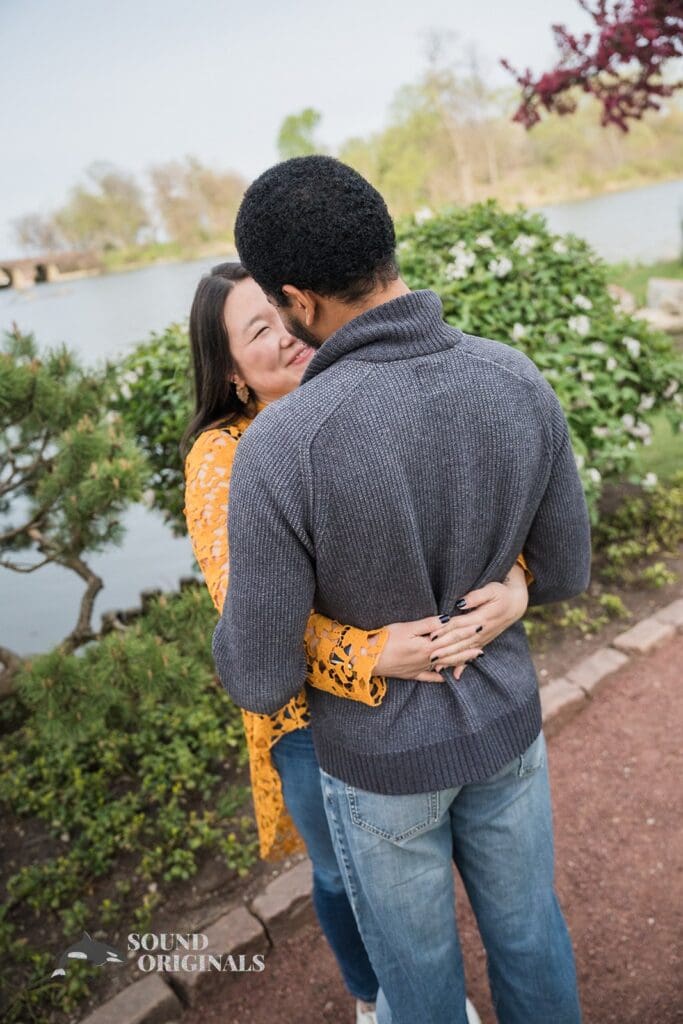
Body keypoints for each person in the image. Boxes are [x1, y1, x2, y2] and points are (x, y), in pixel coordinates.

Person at [212, 156, 592, 1024]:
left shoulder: (282, 445)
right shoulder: (513, 376)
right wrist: (513, 588)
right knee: (530, 934)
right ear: (385, 243)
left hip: (380, 766)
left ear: (297, 299)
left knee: (418, 985)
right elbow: (564, 568)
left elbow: (257, 676)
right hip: (504, 725)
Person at [182, 261, 533, 1024]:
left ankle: (420, 995)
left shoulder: (371, 390)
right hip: (307, 713)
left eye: (281, 313)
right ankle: (375, 998)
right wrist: (369, 654)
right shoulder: (225, 457)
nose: (285, 336)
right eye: (256, 332)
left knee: (425, 874)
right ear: (233, 374)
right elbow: (244, 605)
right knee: (344, 873)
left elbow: (477, 508)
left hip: (442, 682)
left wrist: (516, 581)